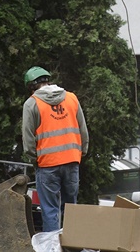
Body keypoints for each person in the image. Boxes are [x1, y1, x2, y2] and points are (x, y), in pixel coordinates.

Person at [22, 66, 89, 232]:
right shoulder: (72, 98)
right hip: (72, 161)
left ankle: (52, 248)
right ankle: (71, 247)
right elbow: (83, 130)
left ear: (31, 86)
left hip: (47, 165)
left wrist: (34, 158)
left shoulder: (32, 104)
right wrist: (81, 152)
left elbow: (28, 139)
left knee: (50, 210)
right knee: (70, 208)